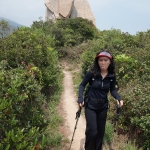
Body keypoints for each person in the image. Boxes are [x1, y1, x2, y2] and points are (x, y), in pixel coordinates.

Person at [77, 50, 123, 150]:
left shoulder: (111, 76)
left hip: (103, 107)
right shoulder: (92, 73)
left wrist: (118, 98)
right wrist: (80, 97)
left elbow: (113, 90)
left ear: (110, 62)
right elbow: (82, 85)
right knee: (93, 131)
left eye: (105, 60)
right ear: (97, 62)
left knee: (100, 132)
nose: (103, 62)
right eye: (100, 60)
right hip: (90, 105)